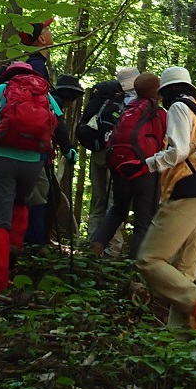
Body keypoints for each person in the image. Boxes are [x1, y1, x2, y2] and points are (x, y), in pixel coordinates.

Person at [130, 66, 196, 331]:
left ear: (168, 91)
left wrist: (147, 164)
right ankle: (180, 341)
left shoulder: (179, 109)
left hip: (187, 194)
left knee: (149, 259)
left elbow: (180, 151)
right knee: (185, 272)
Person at [0, 60, 63, 289]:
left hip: (1, 158)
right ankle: (14, 251)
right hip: (33, 162)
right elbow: (57, 123)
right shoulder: (44, 95)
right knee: (21, 203)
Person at [89, 72, 166, 257]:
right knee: (143, 220)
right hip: (145, 168)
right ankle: (135, 268)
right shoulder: (159, 113)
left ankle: (96, 247)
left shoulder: (128, 107)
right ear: (158, 91)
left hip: (120, 167)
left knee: (117, 210)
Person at [79, 66, 138, 253]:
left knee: (98, 201)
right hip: (116, 154)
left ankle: (91, 247)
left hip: (97, 152)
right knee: (115, 203)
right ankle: (111, 250)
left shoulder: (103, 97)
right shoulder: (133, 100)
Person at [27, 74, 83, 246]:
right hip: (40, 156)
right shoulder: (54, 103)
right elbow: (60, 129)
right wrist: (68, 150)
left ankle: (37, 238)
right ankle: (38, 240)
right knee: (50, 197)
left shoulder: (45, 99)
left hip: (31, 152)